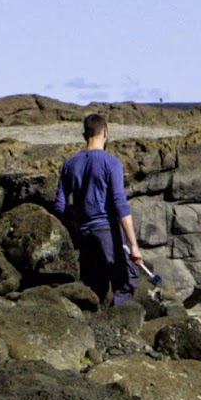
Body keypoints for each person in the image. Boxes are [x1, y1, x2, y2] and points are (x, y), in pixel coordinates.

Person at [53, 111, 143, 306]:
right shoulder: (111, 162)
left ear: (85, 134)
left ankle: (95, 326)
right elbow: (120, 204)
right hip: (107, 231)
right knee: (127, 279)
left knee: (95, 285)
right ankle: (119, 328)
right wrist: (134, 245)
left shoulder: (70, 163)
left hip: (84, 232)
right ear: (105, 132)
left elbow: (59, 206)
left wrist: (79, 215)